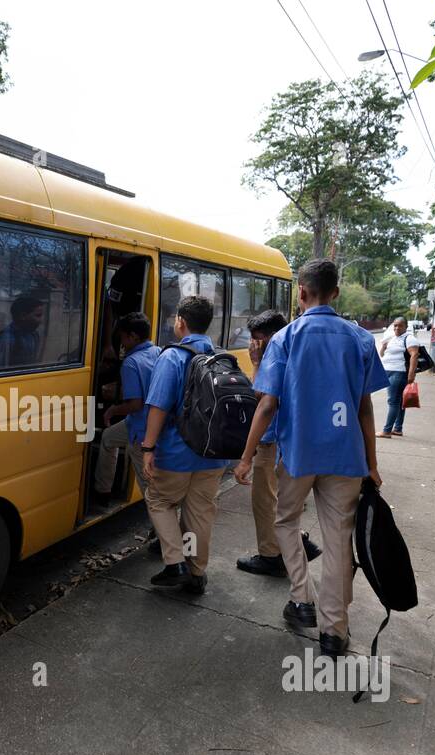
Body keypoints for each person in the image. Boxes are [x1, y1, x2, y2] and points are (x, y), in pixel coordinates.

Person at [235, 259, 388, 657]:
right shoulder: (360, 339)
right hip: (346, 456)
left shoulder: (285, 340)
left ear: (300, 293)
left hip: (299, 455)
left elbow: (268, 405)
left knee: (285, 521)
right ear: (335, 292)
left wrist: (246, 457)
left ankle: (302, 598)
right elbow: (365, 408)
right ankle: (334, 631)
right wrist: (371, 462)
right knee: (339, 540)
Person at [141, 296, 229, 595]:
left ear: (180, 321)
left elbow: (158, 407)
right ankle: (195, 572)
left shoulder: (173, 357)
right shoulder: (221, 356)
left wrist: (148, 448)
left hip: (177, 453)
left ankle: (175, 562)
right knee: (198, 515)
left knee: (160, 502)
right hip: (214, 453)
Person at [234, 310, 323, 577]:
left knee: (264, 500)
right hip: (292, 438)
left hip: (271, 439)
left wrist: (246, 457)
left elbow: (263, 399)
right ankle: (299, 540)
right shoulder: (299, 348)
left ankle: (271, 556)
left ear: (269, 336)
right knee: (280, 500)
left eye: (257, 339)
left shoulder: (276, 351)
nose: (253, 345)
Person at [93, 311, 159, 504]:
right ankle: (102, 491)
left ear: (133, 337)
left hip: (141, 431)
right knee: (108, 438)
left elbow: (135, 404)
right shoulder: (157, 351)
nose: (120, 342)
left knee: (148, 485)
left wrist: (112, 410)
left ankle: (161, 529)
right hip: (151, 422)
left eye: (122, 336)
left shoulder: (130, 363)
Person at [377, 316, 420, 438]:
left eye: (400, 325)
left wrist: (411, 374)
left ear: (406, 326)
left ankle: (386, 431)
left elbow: (414, 355)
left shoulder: (409, 338)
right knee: (400, 401)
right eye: (395, 325)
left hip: (399, 373)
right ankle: (398, 429)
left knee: (393, 401)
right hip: (389, 372)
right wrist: (384, 347)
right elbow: (382, 354)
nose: (397, 327)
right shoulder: (392, 338)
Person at [0, 295, 45, 367]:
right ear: (23, 316)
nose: (41, 320)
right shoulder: (6, 338)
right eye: (38, 315)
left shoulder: (34, 335)